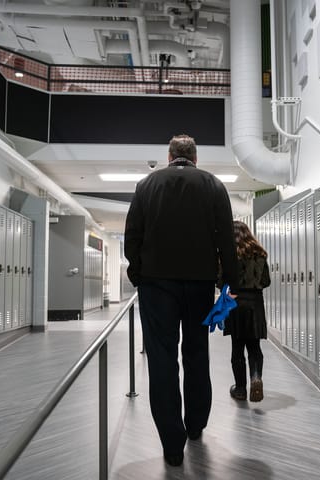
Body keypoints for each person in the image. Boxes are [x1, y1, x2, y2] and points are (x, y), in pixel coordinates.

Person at [124, 134, 238, 467]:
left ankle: (172, 445)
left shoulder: (147, 185)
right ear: (195, 158)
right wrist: (228, 285)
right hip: (200, 284)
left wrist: (139, 275)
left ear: (170, 155)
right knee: (196, 353)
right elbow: (226, 241)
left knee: (161, 360)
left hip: (157, 285)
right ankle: (196, 425)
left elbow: (133, 236)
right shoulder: (213, 185)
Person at [222, 221, 271, 402]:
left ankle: (240, 389)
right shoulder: (259, 254)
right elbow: (266, 281)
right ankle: (256, 378)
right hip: (255, 304)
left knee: (237, 348)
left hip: (235, 303)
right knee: (254, 347)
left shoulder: (228, 255)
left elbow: (220, 281)